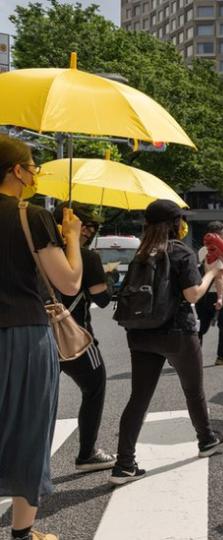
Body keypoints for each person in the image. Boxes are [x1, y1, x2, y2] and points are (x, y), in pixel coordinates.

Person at [111, 199, 223, 485]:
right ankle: (206, 440)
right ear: (176, 223)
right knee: (193, 390)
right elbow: (192, 294)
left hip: (140, 333)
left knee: (138, 398)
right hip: (176, 332)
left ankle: (124, 464)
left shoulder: (141, 253)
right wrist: (212, 273)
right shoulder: (180, 251)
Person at [0, 135, 83, 540]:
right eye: (32, 166)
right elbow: (68, 282)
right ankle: (22, 533)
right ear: (16, 171)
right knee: (29, 431)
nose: (35, 173)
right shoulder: (30, 216)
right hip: (24, 336)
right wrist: (71, 236)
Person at [53, 204, 116, 473]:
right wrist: (109, 277)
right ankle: (87, 452)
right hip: (73, 338)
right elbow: (102, 299)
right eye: (88, 226)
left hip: (35, 335)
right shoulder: (87, 259)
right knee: (94, 387)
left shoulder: (40, 253)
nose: (90, 232)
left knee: (36, 399)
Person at [196, 221, 223, 366]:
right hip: (214, 294)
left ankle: (190, 355)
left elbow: (206, 274)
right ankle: (222, 356)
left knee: (202, 326)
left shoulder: (202, 250)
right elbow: (217, 276)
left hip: (202, 292)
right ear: (216, 235)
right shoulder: (217, 251)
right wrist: (220, 296)